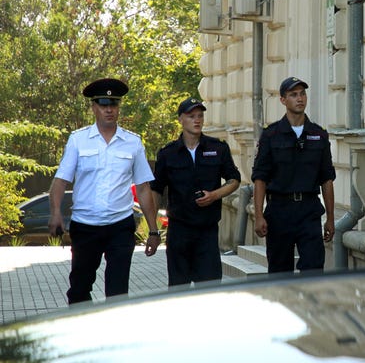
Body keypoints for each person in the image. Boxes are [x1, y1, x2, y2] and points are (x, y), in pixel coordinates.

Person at [48, 78, 161, 304]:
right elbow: (60, 181)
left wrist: (153, 230)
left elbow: (144, 188)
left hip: (120, 226)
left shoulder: (133, 142)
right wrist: (56, 213)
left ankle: (113, 337)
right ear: (94, 107)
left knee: (118, 292)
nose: (109, 110)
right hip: (85, 226)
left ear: (119, 107)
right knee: (79, 288)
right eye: (103, 104)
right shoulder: (78, 140)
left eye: (114, 104)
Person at [150, 97, 241, 286]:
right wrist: (153, 229)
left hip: (207, 232)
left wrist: (214, 195)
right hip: (179, 231)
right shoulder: (168, 154)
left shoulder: (218, 148)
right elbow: (156, 191)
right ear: (181, 119)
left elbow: (234, 180)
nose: (197, 120)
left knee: (209, 289)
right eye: (191, 116)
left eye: (200, 116)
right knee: (178, 289)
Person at [251, 77, 336, 274]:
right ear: (283, 100)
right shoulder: (271, 135)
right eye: (293, 95)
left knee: (313, 270)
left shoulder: (319, 135)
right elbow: (260, 178)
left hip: (309, 211)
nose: (300, 99)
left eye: (302, 94)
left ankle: (308, 306)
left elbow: (327, 179)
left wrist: (330, 219)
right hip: (279, 210)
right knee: (280, 272)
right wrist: (258, 216)